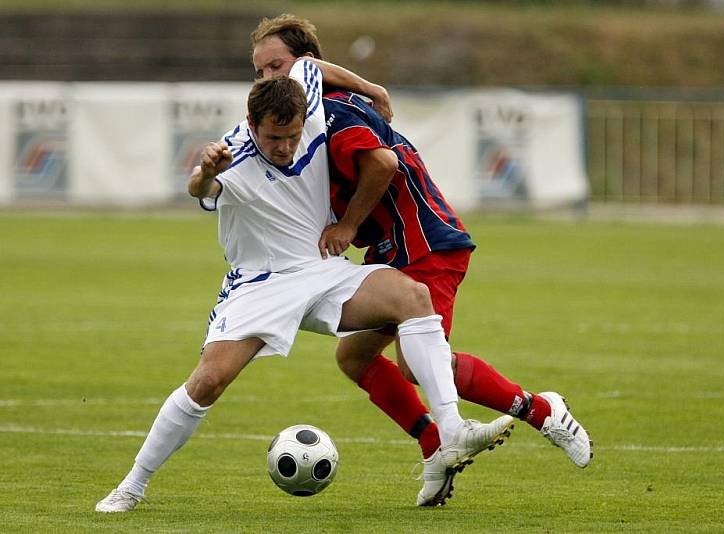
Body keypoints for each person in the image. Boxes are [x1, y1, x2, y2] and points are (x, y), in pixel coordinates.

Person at [95, 56, 514, 513]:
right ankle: (132, 486)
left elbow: (310, 64)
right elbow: (199, 189)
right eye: (274, 138)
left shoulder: (307, 102)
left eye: (292, 135)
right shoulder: (233, 153)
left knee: (412, 297)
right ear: (252, 124)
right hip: (260, 284)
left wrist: (372, 87)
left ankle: (451, 431)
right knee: (209, 382)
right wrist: (206, 171)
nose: (285, 146)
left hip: (321, 270)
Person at [248, 14, 594, 506]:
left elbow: (383, 165)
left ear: (306, 65)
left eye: (276, 67)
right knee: (353, 356)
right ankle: (435, 447)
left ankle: (541, 410)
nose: (268, 80)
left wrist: (346, 227)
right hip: (394, 248)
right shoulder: (305, 120)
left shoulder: (335, 112)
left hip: (425, 243)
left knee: (414, 366)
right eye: (260, 72)